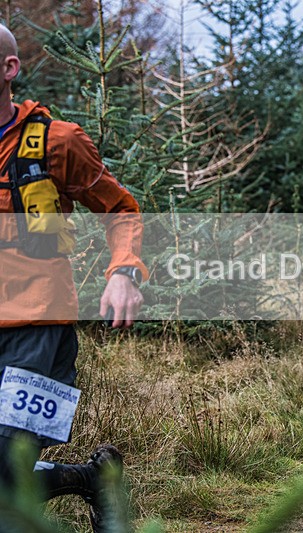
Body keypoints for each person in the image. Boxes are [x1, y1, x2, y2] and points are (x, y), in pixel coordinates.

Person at [0, 24, 146, 532]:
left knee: (5, 470)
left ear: (9, 68)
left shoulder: (57, 142)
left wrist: (122, 272)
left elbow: (121, 209)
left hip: (38, 325)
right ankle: (92, 479)